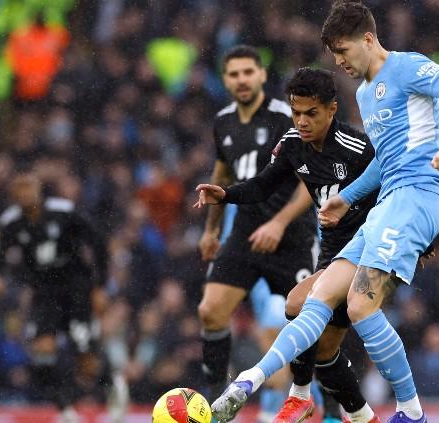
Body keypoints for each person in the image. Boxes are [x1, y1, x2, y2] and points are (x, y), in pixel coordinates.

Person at [210, 1, 439, 422]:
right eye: (334, 54)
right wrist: (348, 196)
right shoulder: (363, 94)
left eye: (343, 51)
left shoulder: (408, 67)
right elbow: (383, 160)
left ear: (368, 39)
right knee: (311, 301)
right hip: (388, 203)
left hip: (418, 196)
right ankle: (250, 380)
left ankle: (411, 412)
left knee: (359, 307)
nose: (339, 62)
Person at [197, 67, 382, 423]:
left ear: (331, 109)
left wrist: (420, 241)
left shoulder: (358, 149)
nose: (302, 121)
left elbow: (393, 191)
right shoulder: (293, 145)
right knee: (325, 352)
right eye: (296, 112)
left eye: (311, 113)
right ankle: (362, 417)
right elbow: (263, 186)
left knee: (298, 305)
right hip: (331, 256)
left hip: (366, 252)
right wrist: (226, 195)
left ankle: (298, 395)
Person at [196, 45, 317, 418]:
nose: (241, 80)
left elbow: (311, 181)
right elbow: (222, 175)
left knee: (311, 327)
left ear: (262, 75)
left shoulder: (285, 118)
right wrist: (211, 230)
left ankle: (311, 399)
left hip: (291, 235)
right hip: (246, 233)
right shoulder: (223, 122)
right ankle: (216, 404)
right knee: (211, 311)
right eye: (233, 74)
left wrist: (279, 222)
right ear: (225, 79)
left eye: (248, 72)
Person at [0, 173, 128, 423]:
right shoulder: (11, 222)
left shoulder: (63, 212)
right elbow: (0, 255)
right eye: (19, 188)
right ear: (12, 195)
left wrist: (100, 286)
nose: (25, 194)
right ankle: (65, 410)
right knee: (42, 351)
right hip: (44, 293)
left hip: (75, 288)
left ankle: (113, 383)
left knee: (85, 358)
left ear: (39, 189)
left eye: (29, 187)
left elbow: (97, 241)